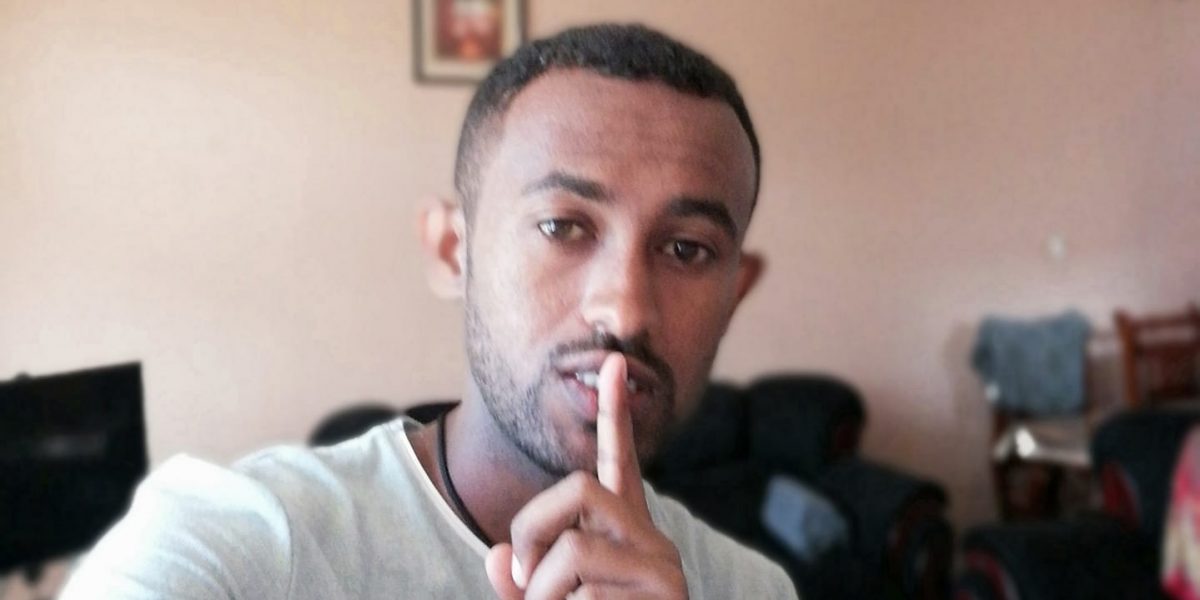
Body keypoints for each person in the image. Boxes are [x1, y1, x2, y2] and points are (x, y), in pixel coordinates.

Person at [61, 23, 796, 599]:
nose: (625, 311)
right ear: (453, 252)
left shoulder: (752, 590)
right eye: (563, 227)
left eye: (687, 249)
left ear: (735, 292)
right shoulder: (236, 542)